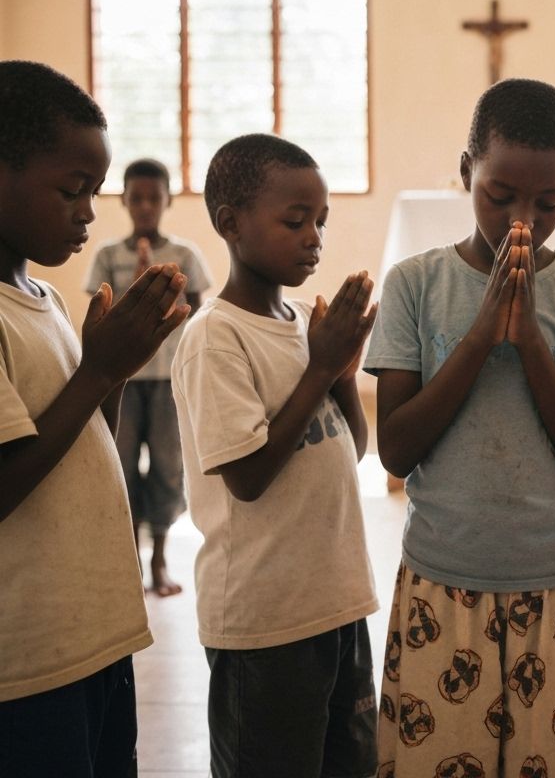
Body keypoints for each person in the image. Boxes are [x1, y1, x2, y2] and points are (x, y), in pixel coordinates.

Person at [365, 78, 555, 776]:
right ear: (466, 174)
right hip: (442, 585)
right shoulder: (414, 285)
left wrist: (532, 342)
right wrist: (482, 333)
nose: (525, 218)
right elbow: (396, 448)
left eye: (550, 202)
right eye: (500, 196)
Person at [0, 60, 191, 777]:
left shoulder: (44, 302)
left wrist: (110, 368)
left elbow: (84, 447)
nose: (88, 212)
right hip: (26, 665)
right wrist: (101, 370)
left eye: (94, 193)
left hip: (96, 640)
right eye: (72, 190)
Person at [171, 133, 379, 778]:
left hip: (337, 602)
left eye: (320, 221)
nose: (314, 237)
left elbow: (355, 449)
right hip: (264, 624)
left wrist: (341, 371)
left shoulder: (298, 321)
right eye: (295, 221)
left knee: (347, 764)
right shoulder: (216, 337)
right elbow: (249, 476)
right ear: (231, 224)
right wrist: (320, 368)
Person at [85, 157, 212, 596]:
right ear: (123, 200)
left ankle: (159, 558)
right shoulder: (107, 256)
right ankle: (131, 559)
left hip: (166, 380)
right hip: (121, 380)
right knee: (119, 465)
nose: (144, 207)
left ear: (167, 200)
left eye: (153, 198)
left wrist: (160, 295)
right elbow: (98, 320)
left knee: (167, 465)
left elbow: (193, 316)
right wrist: (133, 294)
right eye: (136, 198)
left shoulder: (183, 255)